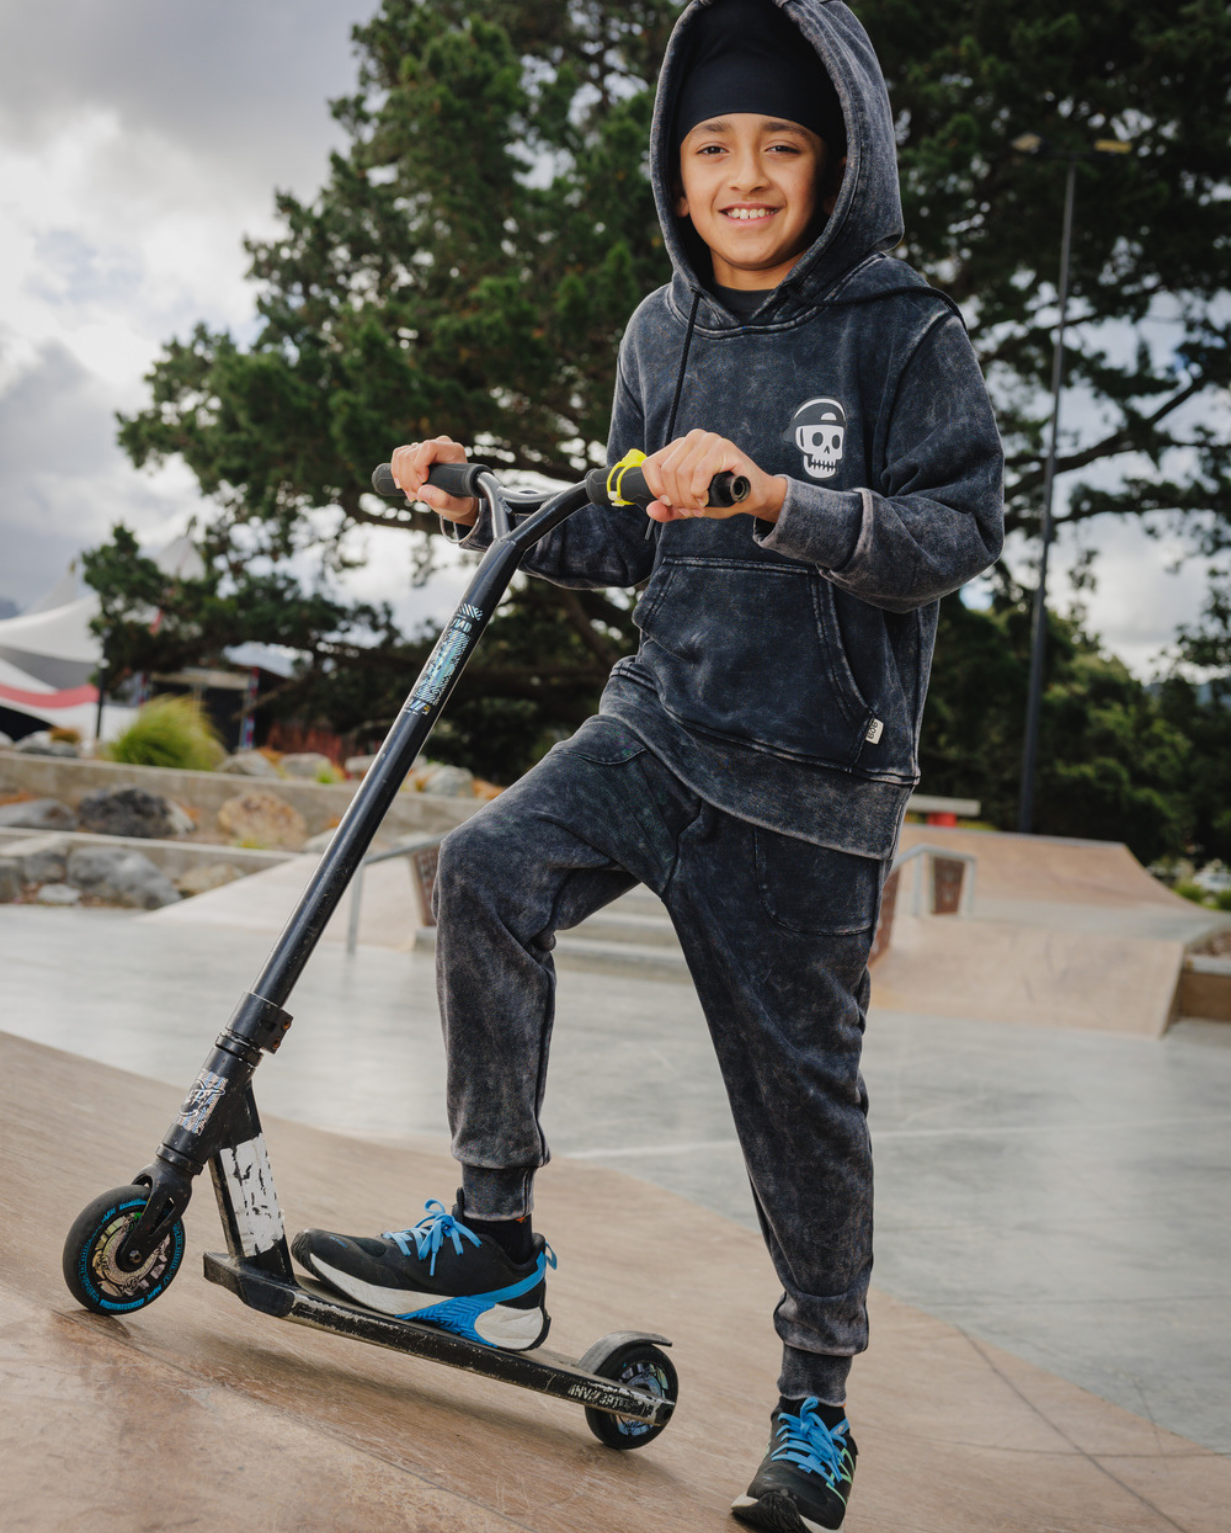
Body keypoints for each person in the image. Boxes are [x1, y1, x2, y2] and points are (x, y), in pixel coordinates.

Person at [292, 1, 1004, 1527]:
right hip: (654, 728)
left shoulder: (904, 333)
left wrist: (775, 503)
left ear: (839, 162)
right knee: (483, 872)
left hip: (811, 789)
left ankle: (815, 1408)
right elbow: (620, 533)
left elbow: (951, 536)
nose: (743, 174)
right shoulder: (658, 333)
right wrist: (482, 496)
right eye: (712, 147)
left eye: (781, 146)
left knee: (799, 1105)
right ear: (674, 171)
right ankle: (491, 1234)